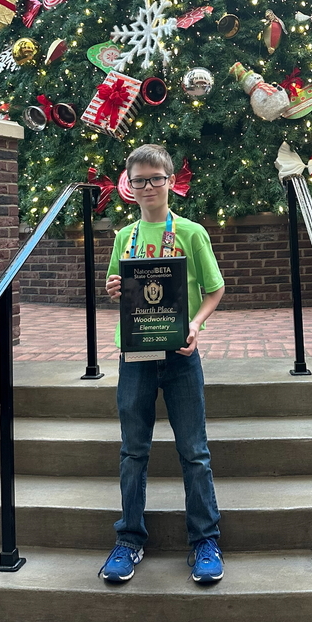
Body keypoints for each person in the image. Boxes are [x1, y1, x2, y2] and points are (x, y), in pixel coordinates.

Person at [102, 144, 226, 586]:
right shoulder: (124, 237)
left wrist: (194, 325)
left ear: (171, 181)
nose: (148, 186)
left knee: (194, 452)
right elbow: (116, 288)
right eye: (139, 180)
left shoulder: (191, 233)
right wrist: (114, 288)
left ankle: (205, 541)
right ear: (129, 187)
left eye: (156, 178)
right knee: (133, 451)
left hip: (180, 355)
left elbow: (214, 289)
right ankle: (129, 539)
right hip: (135, 356)